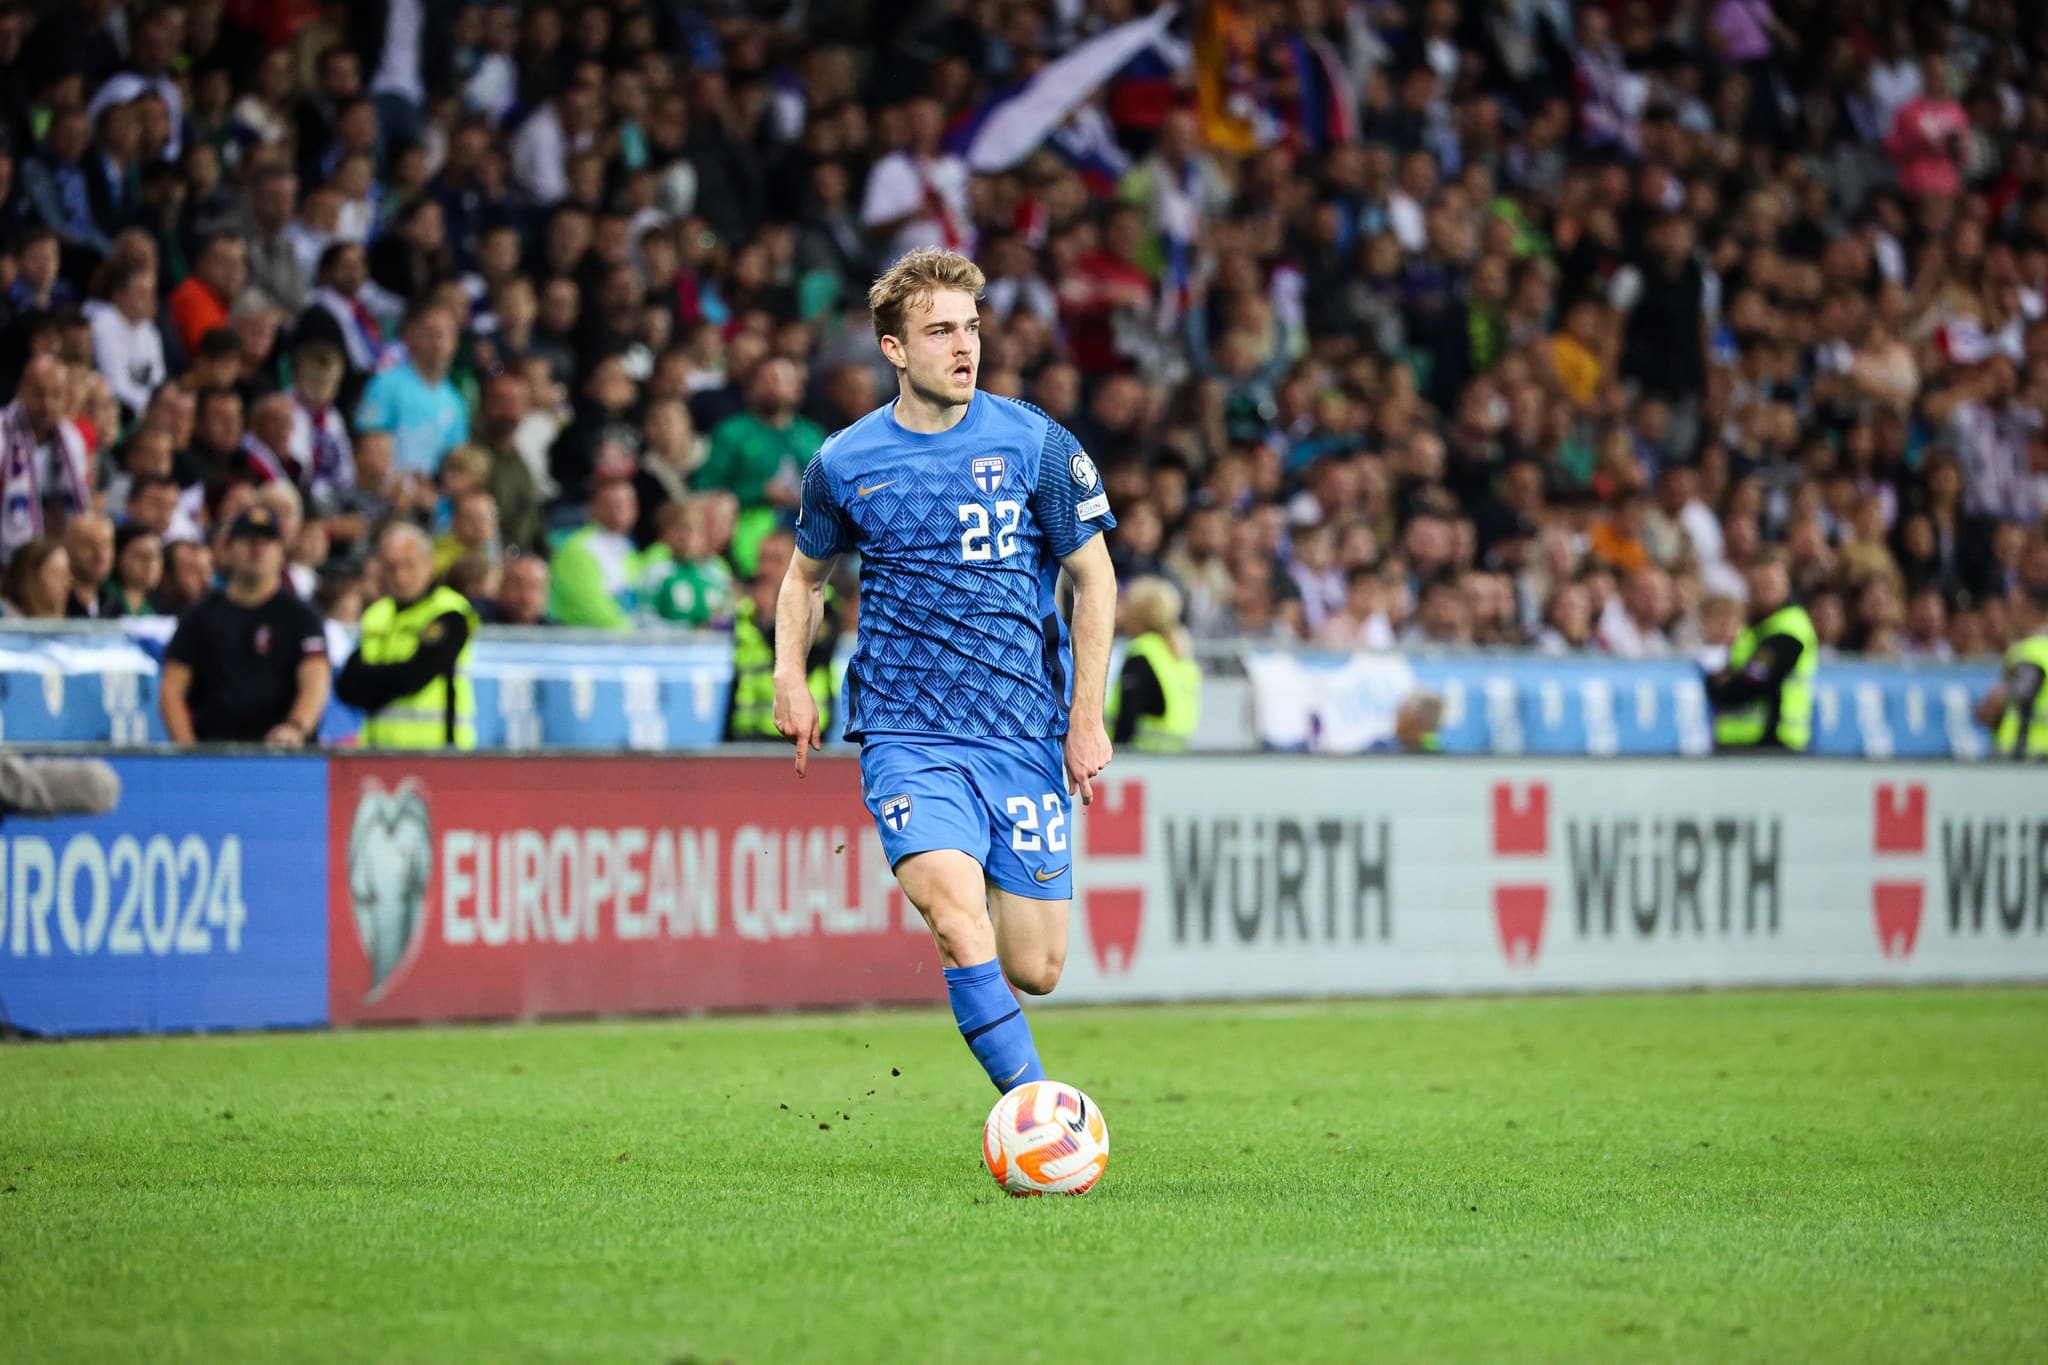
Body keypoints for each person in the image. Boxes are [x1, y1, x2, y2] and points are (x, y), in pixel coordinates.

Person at [774, 247, 1117, 1095]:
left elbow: (1096, 578)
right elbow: (803, 579)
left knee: (1036, 966)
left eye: (970, 328)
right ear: (893, 349)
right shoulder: (844, 461)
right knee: (959, 921)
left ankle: (1015, 1061)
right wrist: (790, 675)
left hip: (1021, 730)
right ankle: (1038, 1113)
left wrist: (1085, 718)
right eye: (940, 332)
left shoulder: (1036, 442)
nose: (965, 346)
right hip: (909, 735)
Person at [159, 506, 329, 746]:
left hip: (282, 753)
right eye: (248, 540)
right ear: (228, 550)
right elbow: (172, 690)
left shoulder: (302, 616)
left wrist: (296, 727)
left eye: (267, 541)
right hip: (215, 751)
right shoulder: (199, 616)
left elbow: (315, 679)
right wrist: (187, 749)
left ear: (281, 552)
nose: (257, 549)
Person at [336, 523, 479, 749]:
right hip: (378, 753)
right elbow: (347, 685)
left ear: (429, 563)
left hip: (439, 753)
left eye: (408, 565)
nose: (400, 576)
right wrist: (387, 679)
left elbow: (414, 675)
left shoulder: (449, 611)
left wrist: (371, 681)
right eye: (391, 567)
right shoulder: (377, 614)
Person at [1705, 550, 1818, 752]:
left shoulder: (1789, 630)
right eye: (1756, 586)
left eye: (1769, 585)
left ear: (1786, 583)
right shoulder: (1755, 628)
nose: (1762, 592)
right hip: (1743, 743)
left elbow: (1752, 682)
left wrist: (1715, 684)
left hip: (1774, 745)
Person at [727, 531, 834, 740]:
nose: (765, 570)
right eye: (762, 560)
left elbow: (811, 660)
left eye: (776, 561)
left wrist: (770, 620)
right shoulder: (745, 613)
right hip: (749, 737)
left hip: (804, 733)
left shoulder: (820, 604)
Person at [352, 298, 467, 477]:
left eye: (447, 333)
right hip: (387, 488)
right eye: (431, 333)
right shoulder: (385, 384)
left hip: (431, 492)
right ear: (411, 337)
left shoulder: (455, 401)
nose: (439, 341)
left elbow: (456, 463)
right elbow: (369, 451)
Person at [0, 355, 94, 562]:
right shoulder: (2, 433)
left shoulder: (72, 439)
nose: (47, 404)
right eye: (38, 393)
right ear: (21, 390)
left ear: (67, 398)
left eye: (56, 395)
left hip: (53, 553)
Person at [1107, 576, 1202, 752]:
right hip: (1178, 752)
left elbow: (1128, 717)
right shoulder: (1178, 652)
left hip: (1144, 753)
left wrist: (1116, 752)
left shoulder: (1141, 653)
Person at [548, 461, 641, 629]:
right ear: (592, 508)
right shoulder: (578, 548)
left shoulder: (627, 548)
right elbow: (589, 607)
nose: (619, 511)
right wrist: (632, 633)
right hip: (583, 639)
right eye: (610, 505)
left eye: (625, 504)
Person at [1976, 587, 2048, 759]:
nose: (2008, 616)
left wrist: (1987, 709)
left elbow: (2001, 702)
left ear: (2025, 608)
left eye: (2009, 607)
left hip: (2025, 756)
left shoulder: (2030, 652)